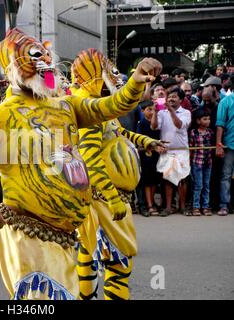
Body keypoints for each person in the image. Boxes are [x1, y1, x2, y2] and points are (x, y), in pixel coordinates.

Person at [0, 28, 161, 300]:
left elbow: (112, 106)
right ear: (12, 65)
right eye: (36, 55)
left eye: (47, 53)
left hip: (65, 235)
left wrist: (136, 82)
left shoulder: (66, 106)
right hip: (28, 236)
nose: (46, 60)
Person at [71, 49, 165, 300]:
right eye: (110, 71)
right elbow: (90, 157)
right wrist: (112, 197)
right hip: (103, 198)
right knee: (119, 260)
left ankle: (85, 296)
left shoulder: (99, 107)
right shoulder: (88, 109)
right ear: (94, 76)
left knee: (92, 253)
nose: (117, 76)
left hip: (106, 197)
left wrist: (145, 141)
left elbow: (118, 134)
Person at [152, 88, 192, 216]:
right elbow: (153, 127)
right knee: (168, 179)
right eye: (169, 97)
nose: (170, 99)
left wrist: (171, 110)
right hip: (166, 151)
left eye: (174, 97)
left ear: (181, 99)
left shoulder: (186, 113)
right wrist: (154, 111)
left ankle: (182, 207)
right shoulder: (162, 112)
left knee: (182, 179)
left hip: (181, 151)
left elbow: (179, 125)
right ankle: (168, 207)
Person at [137, 100, 162, 217]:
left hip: (157, 157)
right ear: (142, 111)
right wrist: (153, 147)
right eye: (149, 110)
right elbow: (140, 143)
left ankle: (152, 202)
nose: (152, 112)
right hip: (145, 157)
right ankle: (149, 205)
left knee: (154, 181)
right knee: (147, 182)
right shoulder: (141, 123)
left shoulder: (156, 123)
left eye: (153, 109)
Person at [189, 110, 213, 216]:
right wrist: (189, 162)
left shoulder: (210, 132)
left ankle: (206, 206)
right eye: (205, 119)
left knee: (206, 185)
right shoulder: (193, 132)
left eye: (208, 118)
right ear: (198, 121)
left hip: (208, 162)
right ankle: (196, 206)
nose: (208, 121)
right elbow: (191, 148)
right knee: (198, 185)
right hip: (196, 162)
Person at [215, 93, 234, 216]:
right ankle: (224, 205)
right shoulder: (226, 101)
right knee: (226, 175)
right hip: (230, 144)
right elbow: (220, 124)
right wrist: (218, 144)